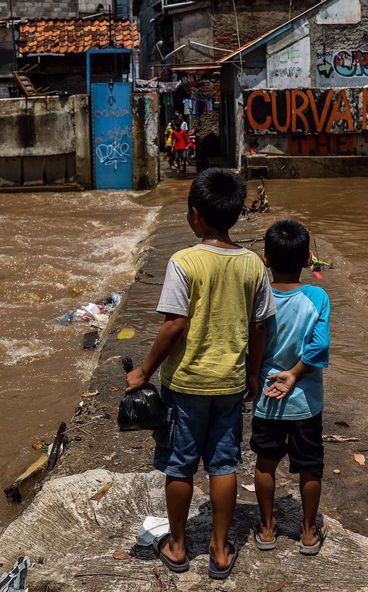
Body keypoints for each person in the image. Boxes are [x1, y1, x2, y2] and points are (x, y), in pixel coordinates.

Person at [125, 168, 274, 580]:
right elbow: (260, 325)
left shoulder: (184, 262)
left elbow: (175, 325)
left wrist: (143, 371)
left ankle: (176, 544)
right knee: (224, 464)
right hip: (229, 382)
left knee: (180, 465)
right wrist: (253, 373)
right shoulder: (252, 265)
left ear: (195, 216)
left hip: (186, 383)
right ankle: (221, 549)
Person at [250, 219, 330, 555]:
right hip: (305, 402)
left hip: (267, 397)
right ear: (306, 259)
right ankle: (309, 532)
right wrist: (295, 374)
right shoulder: (317, 296)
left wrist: (253, 377)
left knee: (266, 463)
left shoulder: (258, 294)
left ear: (265, 258)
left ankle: (268, 528)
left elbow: (253, 340)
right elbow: (319, 345)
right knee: (310, 466)